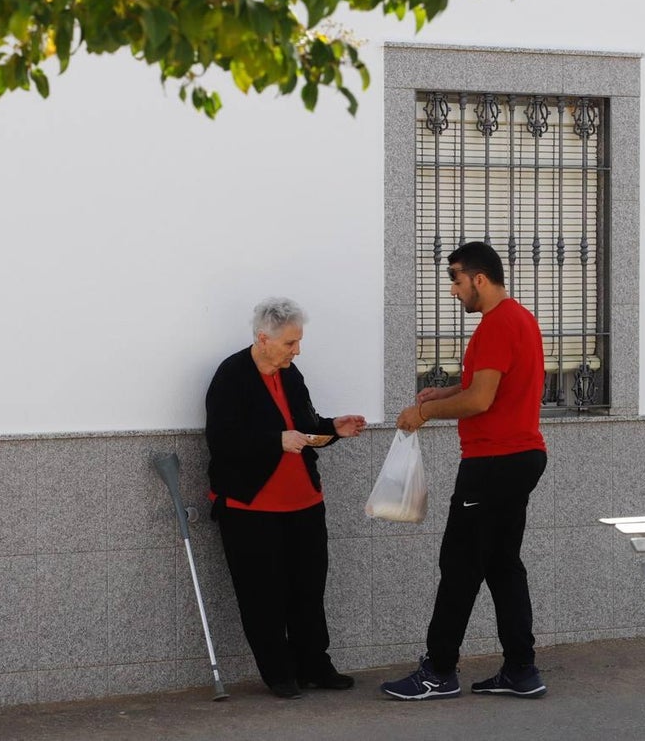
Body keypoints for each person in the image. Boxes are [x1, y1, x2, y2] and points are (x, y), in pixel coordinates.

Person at [380, 241, 549, 701]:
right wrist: (443, 391)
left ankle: (438, 671)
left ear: (479, 278)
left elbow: (480, 401)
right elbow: (485, 385)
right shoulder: (521, 318)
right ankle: (521, 669)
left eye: (456, 279)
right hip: (520, 458)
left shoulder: (496, 325)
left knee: (459, 565)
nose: (453, 290)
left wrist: (424, 415)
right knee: (502, 565)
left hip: (493, 463)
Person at [205, 297, 367, 699]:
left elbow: (304, 427)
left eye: (298, 342)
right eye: (291, 343)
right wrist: (275, 440)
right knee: (262, 592)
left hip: (304, 503)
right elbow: (223, 441)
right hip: (251, 507)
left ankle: (315, 664)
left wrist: (333, 427)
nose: (297, 351)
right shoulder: (231, 375)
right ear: (263, 338)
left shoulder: (292, 375)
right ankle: (279, 672)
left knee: (308, 589)